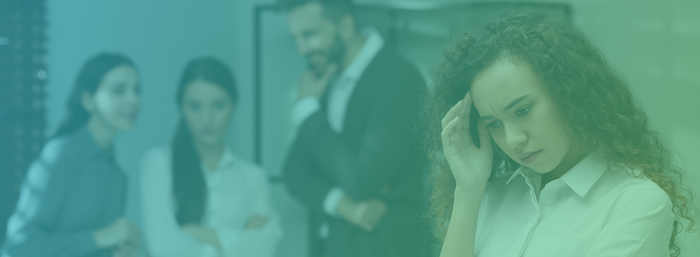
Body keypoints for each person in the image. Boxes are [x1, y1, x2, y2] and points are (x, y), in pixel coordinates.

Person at [425, 13, 697, 257]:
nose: (512, 140)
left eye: (523, 111)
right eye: (494, 124)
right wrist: (468, 192)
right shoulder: (489, 198)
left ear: (568, 93)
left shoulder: (637, 203)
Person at [278, 0, 432, 256]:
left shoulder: (399, 79)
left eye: (310, 34)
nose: (301, 49)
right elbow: (294, 171)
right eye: (295, 38)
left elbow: (361, 181)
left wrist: (308, 109)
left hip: (388, 247)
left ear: (346, 26)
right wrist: (342, 203)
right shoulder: (324, 80)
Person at [1, 53, 142, 257]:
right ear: (88, 100)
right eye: (119, 90)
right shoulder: (61, 153)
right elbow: (19, 246)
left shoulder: (119, 178)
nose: (134, 100)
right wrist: (100, 237)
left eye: (137, 90)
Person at [139, 57, 282, 257]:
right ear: (181, 108)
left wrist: (196, 232)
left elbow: (266, 249)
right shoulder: (159, 163)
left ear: (234, 107)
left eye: (218, 106)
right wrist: (237, 242)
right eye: (195, 107)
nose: (206, 118)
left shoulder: (254, 176)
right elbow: (163, 247)